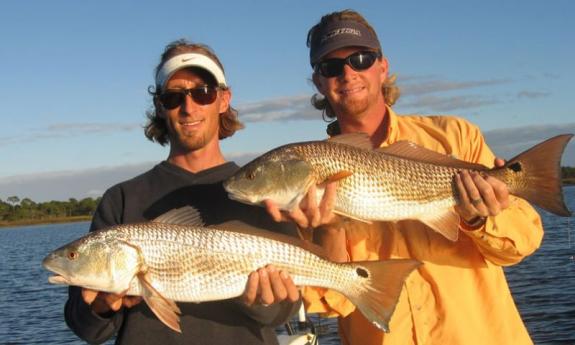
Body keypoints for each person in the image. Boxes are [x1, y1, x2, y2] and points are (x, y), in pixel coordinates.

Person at [265, 10, 543, 345]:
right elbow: (330, 302)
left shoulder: (456, 137)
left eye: (361, 58)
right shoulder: (302, 182)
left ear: (383, 67)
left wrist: (476, 217)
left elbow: (521, 244)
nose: (348, 73)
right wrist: (328, 228)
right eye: (332, 66)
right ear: (319, 82)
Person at [64, 39, 301, 345]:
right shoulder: (120, 200)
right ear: (160, 106)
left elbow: (284, 312)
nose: (189, 108)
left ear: (223, 99)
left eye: (203, 93)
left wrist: (265, 302)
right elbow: (87, 329)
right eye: (174, 97)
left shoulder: (263, 190)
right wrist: (100, 307)